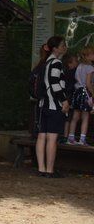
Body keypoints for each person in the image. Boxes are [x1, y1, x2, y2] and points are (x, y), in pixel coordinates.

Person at [35, 35, 70, 177]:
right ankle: (49, 170)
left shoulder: (45, 62)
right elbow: (55, 84)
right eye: (63, 45)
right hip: (54, 106)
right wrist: (64, 100)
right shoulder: (56, 63)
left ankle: (41, 169)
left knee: (42, 137)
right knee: (52, 138)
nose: (65, 47)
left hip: (43, 105)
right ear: (55, 49)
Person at [66, 49, 93, 145]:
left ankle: (70, 138)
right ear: (87, 56)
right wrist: (93, 93)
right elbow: (88, 83)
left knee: (75, 116)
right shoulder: (90, 67)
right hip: (85, 92)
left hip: (77, 91)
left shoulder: (79, 66)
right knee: (85, 117)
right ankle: (82, 139)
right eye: (92, 54)